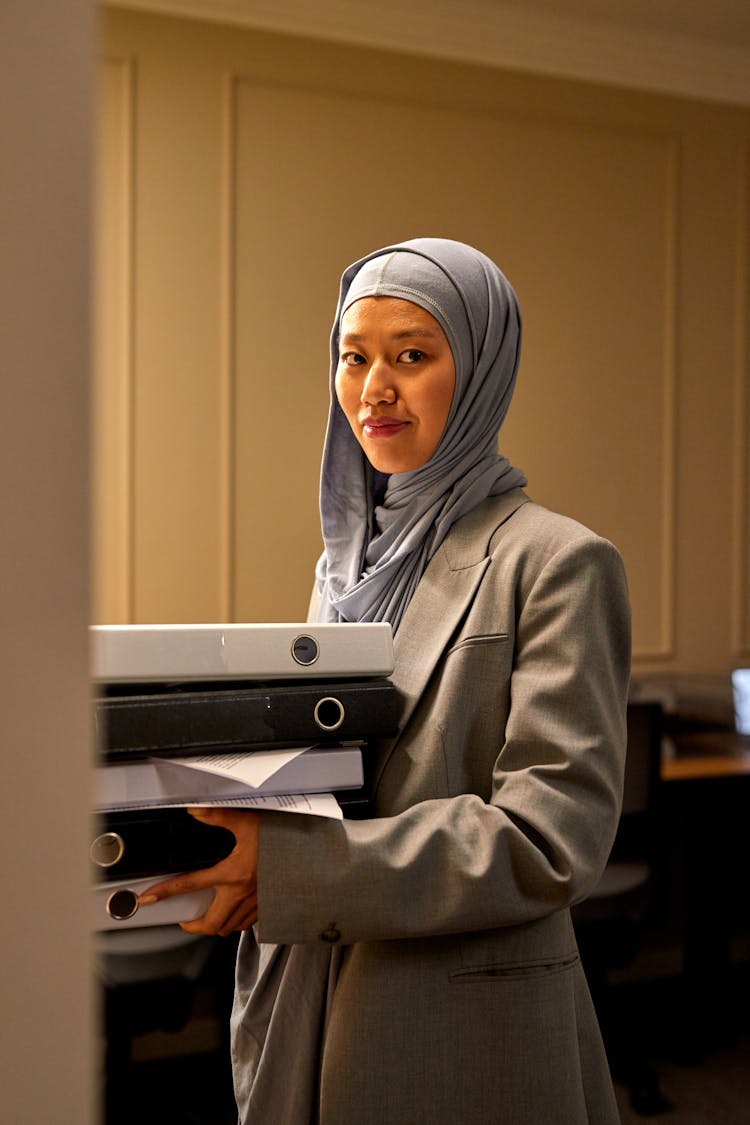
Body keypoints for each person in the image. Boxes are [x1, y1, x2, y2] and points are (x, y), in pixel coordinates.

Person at [140, 237, 631, 1123]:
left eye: (413, 355)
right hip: (308, 986)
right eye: (353, 356)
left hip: (459, 1015)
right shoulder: (342, 565)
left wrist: (295, 869)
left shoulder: (556, 560)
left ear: (479, 368)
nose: (375, 387)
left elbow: (551, 837)